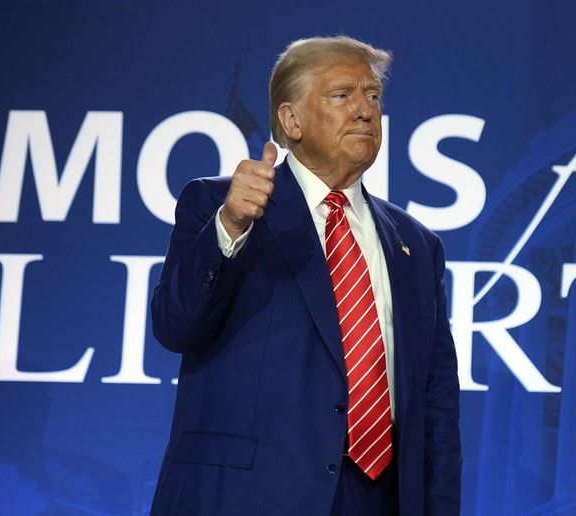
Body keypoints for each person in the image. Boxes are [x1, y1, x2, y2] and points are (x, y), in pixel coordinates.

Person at [149, 36, 461, 515]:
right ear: (291, 120)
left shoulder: (417, 246)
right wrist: (231, 228)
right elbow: (176, 326)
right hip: (245, 499)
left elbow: (435, 406)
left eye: (373, 97)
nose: (364, 111)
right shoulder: (220, 205)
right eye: (342, 96)